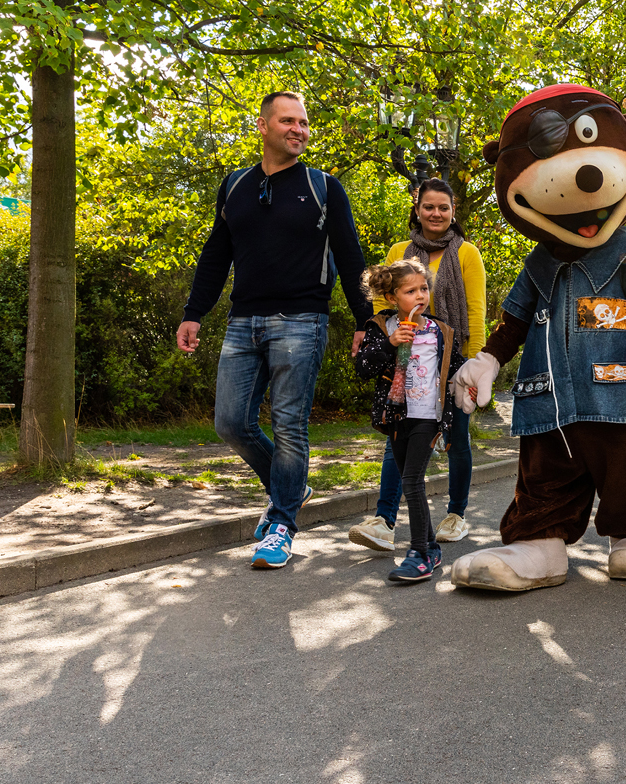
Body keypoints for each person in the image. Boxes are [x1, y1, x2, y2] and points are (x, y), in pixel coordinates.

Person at [176, 90, 373, 569]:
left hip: (302, 321)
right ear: (263, 126)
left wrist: (367, 320)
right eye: (289, 122)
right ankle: (292, 488)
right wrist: (194, 311)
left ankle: (282, 523)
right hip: (243, 321)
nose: (299, 130)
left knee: (289, 426)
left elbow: (350, 257)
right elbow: (216, 254)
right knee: (230, 422)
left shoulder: (324, 186)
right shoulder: (236, 185)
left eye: (304, 124)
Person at [348, 179, 487, 554]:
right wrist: (378, 338)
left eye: (443, 207)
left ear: (453, 210)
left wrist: (473, 366)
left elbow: (474, 310)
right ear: (417, 208)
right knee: (399, 438)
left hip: (449, 359)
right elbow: (382, 305)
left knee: (457, 436)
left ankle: (455, 514)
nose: (436, 214)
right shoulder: (400, 249)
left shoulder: (467, 253)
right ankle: (384, 520)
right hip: (404, 360)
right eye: (429, 207)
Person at [351, 259, 462, 584]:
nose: (420, 296)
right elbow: (363, 368)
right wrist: (391, 343)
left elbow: (455, 366)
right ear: (391, 297)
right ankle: (430, 547)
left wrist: (474, 377)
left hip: (429, 417)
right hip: (397, 415)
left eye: (423, 288)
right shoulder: (380, 327)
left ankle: (419, 554)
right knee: (407, 477)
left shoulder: (439, 329)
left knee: (412, 481)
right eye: (410, 291)